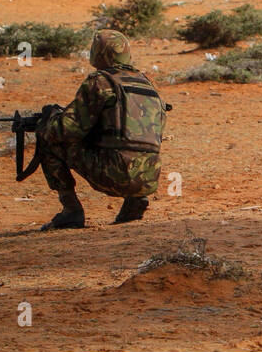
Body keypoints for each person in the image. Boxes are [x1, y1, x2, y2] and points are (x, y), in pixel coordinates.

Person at [35, 29, 167, 230]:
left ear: (98, 53)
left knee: (48, 139)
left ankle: (71, 211)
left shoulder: (100, 81)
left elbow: (66, 131)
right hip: (149, 177)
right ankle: (135, 200)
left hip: (114, 173)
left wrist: (48, 120)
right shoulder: (148, 85)